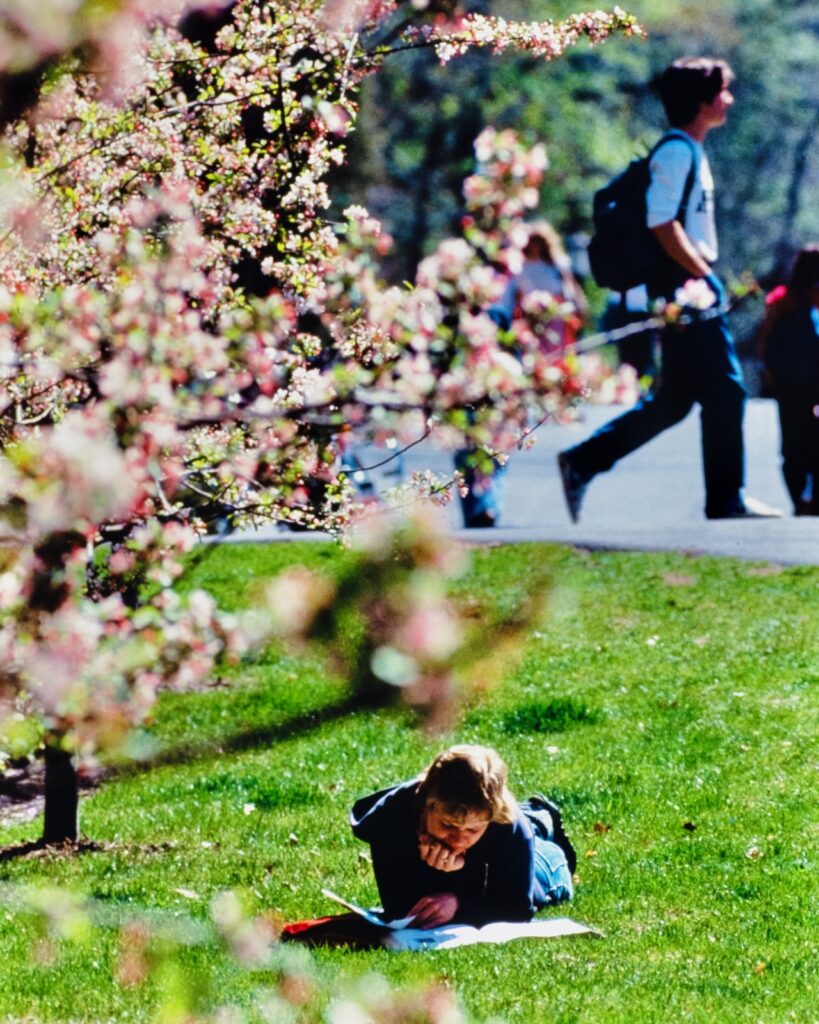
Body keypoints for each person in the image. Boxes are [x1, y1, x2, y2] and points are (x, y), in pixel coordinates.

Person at [557, 57, 783, 522]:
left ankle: (582, 462)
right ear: (702, 101)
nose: (729, 99)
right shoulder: (677, 153)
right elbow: (661, 222)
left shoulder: (689, 151)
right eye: (722, 91)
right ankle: (726, 498)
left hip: (685, 279)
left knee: (677, 400)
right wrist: (703, 274)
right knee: (727, 390)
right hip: (684, 285)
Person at [349, 744, 575, 929]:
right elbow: (398, 907)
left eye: (473, 830)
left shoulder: (508, 825)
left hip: (539, 859)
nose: (458, 839)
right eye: (448, 825)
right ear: (428, 806)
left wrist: (459, 902)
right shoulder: (392, 816)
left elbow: (516, 911)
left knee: (545, 882)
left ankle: (540, 819)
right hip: (490, 846)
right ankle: (534, 817)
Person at [457, 222, 587, 528]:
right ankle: (482, 506)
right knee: (474, 430)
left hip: (527, 332)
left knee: (490, 428)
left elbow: (571, 297)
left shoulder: (551, 267)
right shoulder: (504, 270)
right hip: (498, 338)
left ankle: (485, 506)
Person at [755, 245, 819, 515]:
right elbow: (765, 337)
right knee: (801, 441)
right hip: (798, 380)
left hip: (790, 381)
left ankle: (805, 500)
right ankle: (806, 501)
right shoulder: (784, 300)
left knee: (794, 443)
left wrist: (767, 368)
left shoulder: (782, 299)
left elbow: (763, 338)